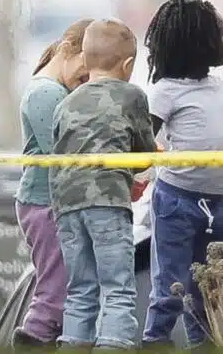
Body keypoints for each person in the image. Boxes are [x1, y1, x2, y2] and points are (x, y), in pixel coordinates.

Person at [140, 0, 223, 348]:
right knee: (172, 278)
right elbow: (142, 141)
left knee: (210, 278)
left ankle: (203, 341)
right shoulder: (165, 93)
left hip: (218, 200)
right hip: (176, 199)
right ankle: (156, 337)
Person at [49, 18, 156, 350]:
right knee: (118, 285)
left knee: (80, 287)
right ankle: (113, 345)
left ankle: (74, 344)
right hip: (107, 201)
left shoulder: (65, 103)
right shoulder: (131, 97)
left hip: (66, 205)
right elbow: (144, 153)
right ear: (127, 65)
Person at [12, 18, 93, 347]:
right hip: (44, 202)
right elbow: (62, 150)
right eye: (84, 74)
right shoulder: (45, 93)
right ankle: (34, 340)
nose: (85, 83)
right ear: (66, 49)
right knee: (55, 290)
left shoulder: (55, 90)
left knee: (65, 286)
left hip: (54, 200)